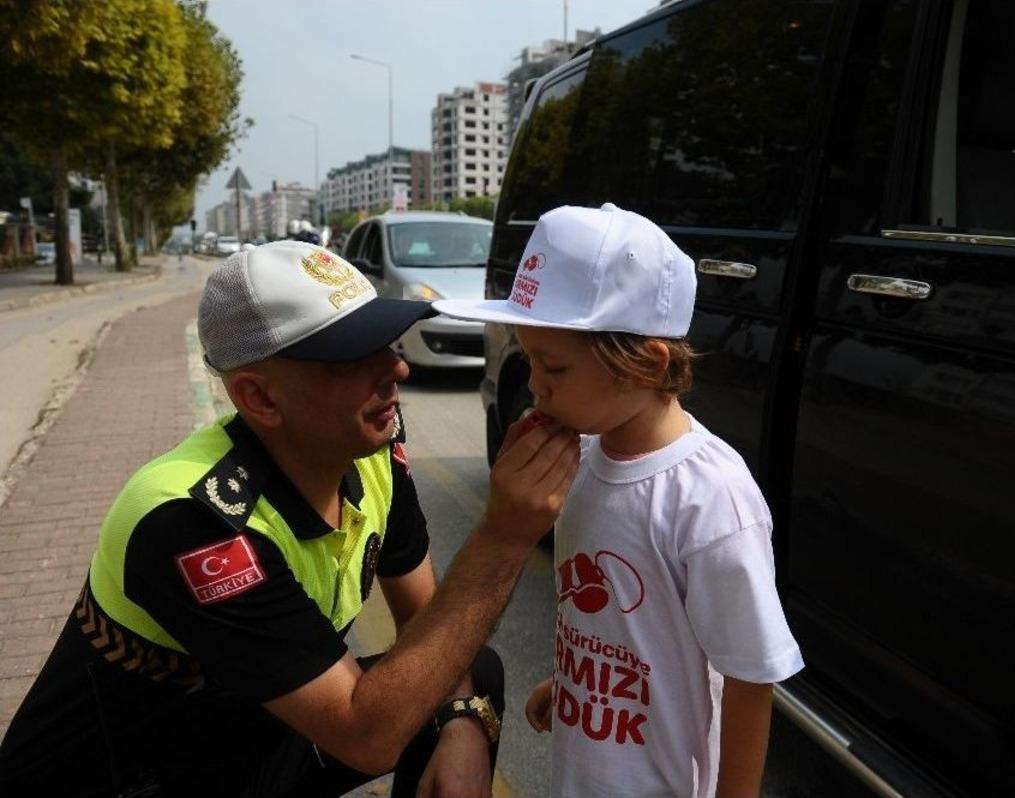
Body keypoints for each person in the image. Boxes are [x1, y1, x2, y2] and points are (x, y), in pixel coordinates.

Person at [0, 240, 580, 797]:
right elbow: (366, 736)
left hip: (243, 738)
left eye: (387, 341)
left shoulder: (370, 450)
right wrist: (504, 537)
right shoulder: (191, 521)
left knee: (473, 673)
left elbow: (427, 618)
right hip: (140, 777)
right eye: (352, 356)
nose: (395, 371)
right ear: (260, 398)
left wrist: (461, 722)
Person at [434, 204, 804, 797]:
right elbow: (617, 623)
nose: (534, 384)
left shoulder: (709, 497)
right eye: (529, 358)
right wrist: (575, 684)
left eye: (554, 366)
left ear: (645, 365)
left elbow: (750, 676)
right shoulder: (580, 458)